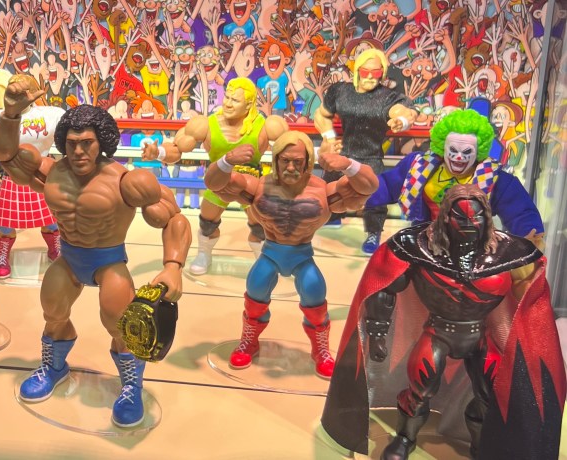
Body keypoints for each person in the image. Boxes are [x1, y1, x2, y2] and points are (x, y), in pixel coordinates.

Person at [0, 88, 191, 427]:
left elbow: (174, 219)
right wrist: (10, 114)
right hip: (69, 257)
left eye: (87, 142)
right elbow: (6, 155)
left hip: (109, 261)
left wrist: (173, 267)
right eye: (72, 143)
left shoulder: (128, 181)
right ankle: (54, 367)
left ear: (102, 142)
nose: (79, 151)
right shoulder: (53, 172)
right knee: (53, 311)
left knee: (122, 325)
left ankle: (131, 385)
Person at [322, 185, 565, 460]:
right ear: (446, 216)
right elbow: (385, 287)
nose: (469, 223)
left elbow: (530, 297)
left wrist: (530, 333)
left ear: (487, 217)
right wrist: (377, 334)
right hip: (438, 332)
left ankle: (480, 443)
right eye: (461, 217)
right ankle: (405, 437)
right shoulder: (418, 248)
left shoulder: (508, 253)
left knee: (490, 394)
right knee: (420, 389)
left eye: (476, 217)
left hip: (479, 335)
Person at [204, 132, 379, 378]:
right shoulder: (259, 187)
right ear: (276, 159)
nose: (290, 167)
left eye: (298, 161)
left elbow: (369, 186)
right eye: (285, 160)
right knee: (255, 293)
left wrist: (349, 165)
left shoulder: (322, 191)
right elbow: (214, 184)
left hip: (301, 253)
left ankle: (320, 350)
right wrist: (226, 160)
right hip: (271, 251)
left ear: (308, 162)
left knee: (315, 296)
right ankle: (249, 342)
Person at [142, 77, 288, 274]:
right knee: (207, 223)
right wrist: (158, 152)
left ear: (248, 104)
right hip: (218, 183)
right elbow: (178, 148)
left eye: (235, 100)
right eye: (227, 97)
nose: (228, 103)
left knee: (260, 226)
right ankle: (204, 253)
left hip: (251, 185)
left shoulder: (267, 125)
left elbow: (291, 147)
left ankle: (263, 259)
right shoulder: (206, 124)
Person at [366, 109, 544, 248]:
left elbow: (520, 211)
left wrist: (530, 236)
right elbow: (387, 185)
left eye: (466, 152)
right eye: (453, 150)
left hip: (472, 246)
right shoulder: (419, 166)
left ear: (479, 151)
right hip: (426, 241)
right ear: (442, 147)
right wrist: (360, 193)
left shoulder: (494, 178)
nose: (459, 157)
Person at [313, 48, 417, 253]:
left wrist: (402, 120)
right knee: (329, 184)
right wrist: (329, 137)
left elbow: (406, 111)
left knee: (375, 193)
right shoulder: (340, 91)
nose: (370, 76)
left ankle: (373, 232)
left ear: (382, 73)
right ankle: (331, 217)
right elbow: (321, 114)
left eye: (376, 72)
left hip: (370, 155)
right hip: (344, 151)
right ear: (357, 70)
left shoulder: (387, 97)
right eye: (365, 71)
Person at [0, 74, 66, 279]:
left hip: (43, 174)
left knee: (52, 219)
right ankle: (3, 254)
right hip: (11, 176)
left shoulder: (52, 115)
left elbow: (70, 142)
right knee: (5, 223)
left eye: (23, 89)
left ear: (34, 92)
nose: (17, 92)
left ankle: (55, 248)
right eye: (12, 88)